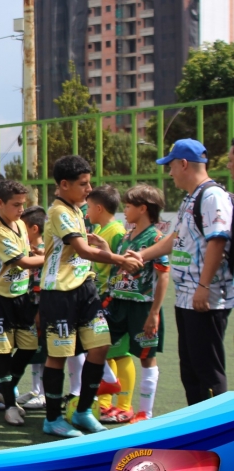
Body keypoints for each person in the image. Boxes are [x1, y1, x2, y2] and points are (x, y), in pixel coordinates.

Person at [39, 155, 141, 438]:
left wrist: (105, 249)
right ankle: (52, 419)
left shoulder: (76, 209)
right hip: (59, 293)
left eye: (89, 182)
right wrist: (120, 259)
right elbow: (82, 251)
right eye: (83, 184)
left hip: (85, 289)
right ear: (64, 184)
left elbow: (84, 252)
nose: (89, 188)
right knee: (58, 356)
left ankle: (83, 411)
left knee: (100, 346)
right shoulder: (58, 211)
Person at [129, 139, 231, 406]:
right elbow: (175, 238)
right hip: (187, 297)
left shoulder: (212, 196)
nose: (170, 172)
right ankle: (197, 424)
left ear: (184, 164)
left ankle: (219, 427)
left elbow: (217, 241)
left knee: (208, 370)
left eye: (171, 166)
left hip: (206, 298)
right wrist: (141, 255)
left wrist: (204, 286)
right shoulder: (191, 198)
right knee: (191, 370)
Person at [0, 181, 44, 425]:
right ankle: (9, 404)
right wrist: (53, 257)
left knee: (28, 347)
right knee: (1, 351)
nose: (21, 209)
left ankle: (3, 390)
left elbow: (26, 255)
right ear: (0, 203)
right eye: (16, 204)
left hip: (20, 297)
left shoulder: (20, 225)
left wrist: (39, 254)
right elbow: (21, 262)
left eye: (23, 204)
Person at [105, 184, 170, 423]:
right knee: (95, 342)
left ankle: (145, 412)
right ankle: (109, 384)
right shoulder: (126, 236)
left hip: (143, 307)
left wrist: (154, 313)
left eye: (129, 206)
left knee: (146, 357)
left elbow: (163, 276)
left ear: (143, 209)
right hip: (118, 303)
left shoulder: (155, 238)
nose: (125, 210)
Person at [85, 185, 134, 423]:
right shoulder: (99, 229)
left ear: (98, 208)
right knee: (105, 351)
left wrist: (111, 295)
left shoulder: (116, 231)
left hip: (112, 299)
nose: (86, 212)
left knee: (120, 353)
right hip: (100, 296)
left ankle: (125, 405)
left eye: (88, 207)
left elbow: (122, 265)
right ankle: (105, 403)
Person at [16, 205, 48, 410]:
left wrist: (39, 310)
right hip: (29, 304)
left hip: (40, 307)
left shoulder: (44, 251)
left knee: (44, 351)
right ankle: (36, 389)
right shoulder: (30, 251)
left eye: (23, 227)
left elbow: (42, 283)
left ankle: (44, 393)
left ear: (34, 229)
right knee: (34, 350)